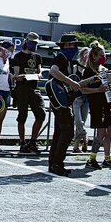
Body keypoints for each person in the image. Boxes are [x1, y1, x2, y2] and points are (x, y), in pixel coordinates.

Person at [48, 34, 83, 176]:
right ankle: (57, 163)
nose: (75, 48)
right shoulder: (61, 57)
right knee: (67, 131)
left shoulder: (70, 62)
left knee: (59, 132)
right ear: (65, 46)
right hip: (59, 100)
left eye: (75, 45)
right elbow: (53, 71)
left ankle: (54, 163)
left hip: (60, 99)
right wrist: (71, 82)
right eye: (72, 45)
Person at [83, 41, 111, 169]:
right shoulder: (88, 71)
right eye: (100, 55)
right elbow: (82, 88)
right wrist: (97, 90)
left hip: (105, 104)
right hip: (97, 105)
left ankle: (107, 157)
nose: (103, 57)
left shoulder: (103, 70)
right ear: (93, 56)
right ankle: (91, 158)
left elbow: (107, 86)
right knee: (101, 132)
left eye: (104, 54)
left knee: (110, 130)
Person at [11, 32, 46, 155]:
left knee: (41, 114)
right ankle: (22, 142)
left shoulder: (37, 57)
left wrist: (32, 75)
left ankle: (33, 141)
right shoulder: (18, 56)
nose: (33, 45)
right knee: (22, 115)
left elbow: (40, 73)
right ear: (26, 42)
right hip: (22, 88)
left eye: (35, 43)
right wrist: (18, 77)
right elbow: (16, 75)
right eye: (31, 42)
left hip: (34, 87)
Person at [72, 47, 91, 153]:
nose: (86, 56)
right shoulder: (75, 67)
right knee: (78, 122)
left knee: (83, 121)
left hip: (86, 98)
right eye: (85, 54)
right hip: (76, 98)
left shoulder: (90, 69)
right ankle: (85, 138)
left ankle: (76, 147)